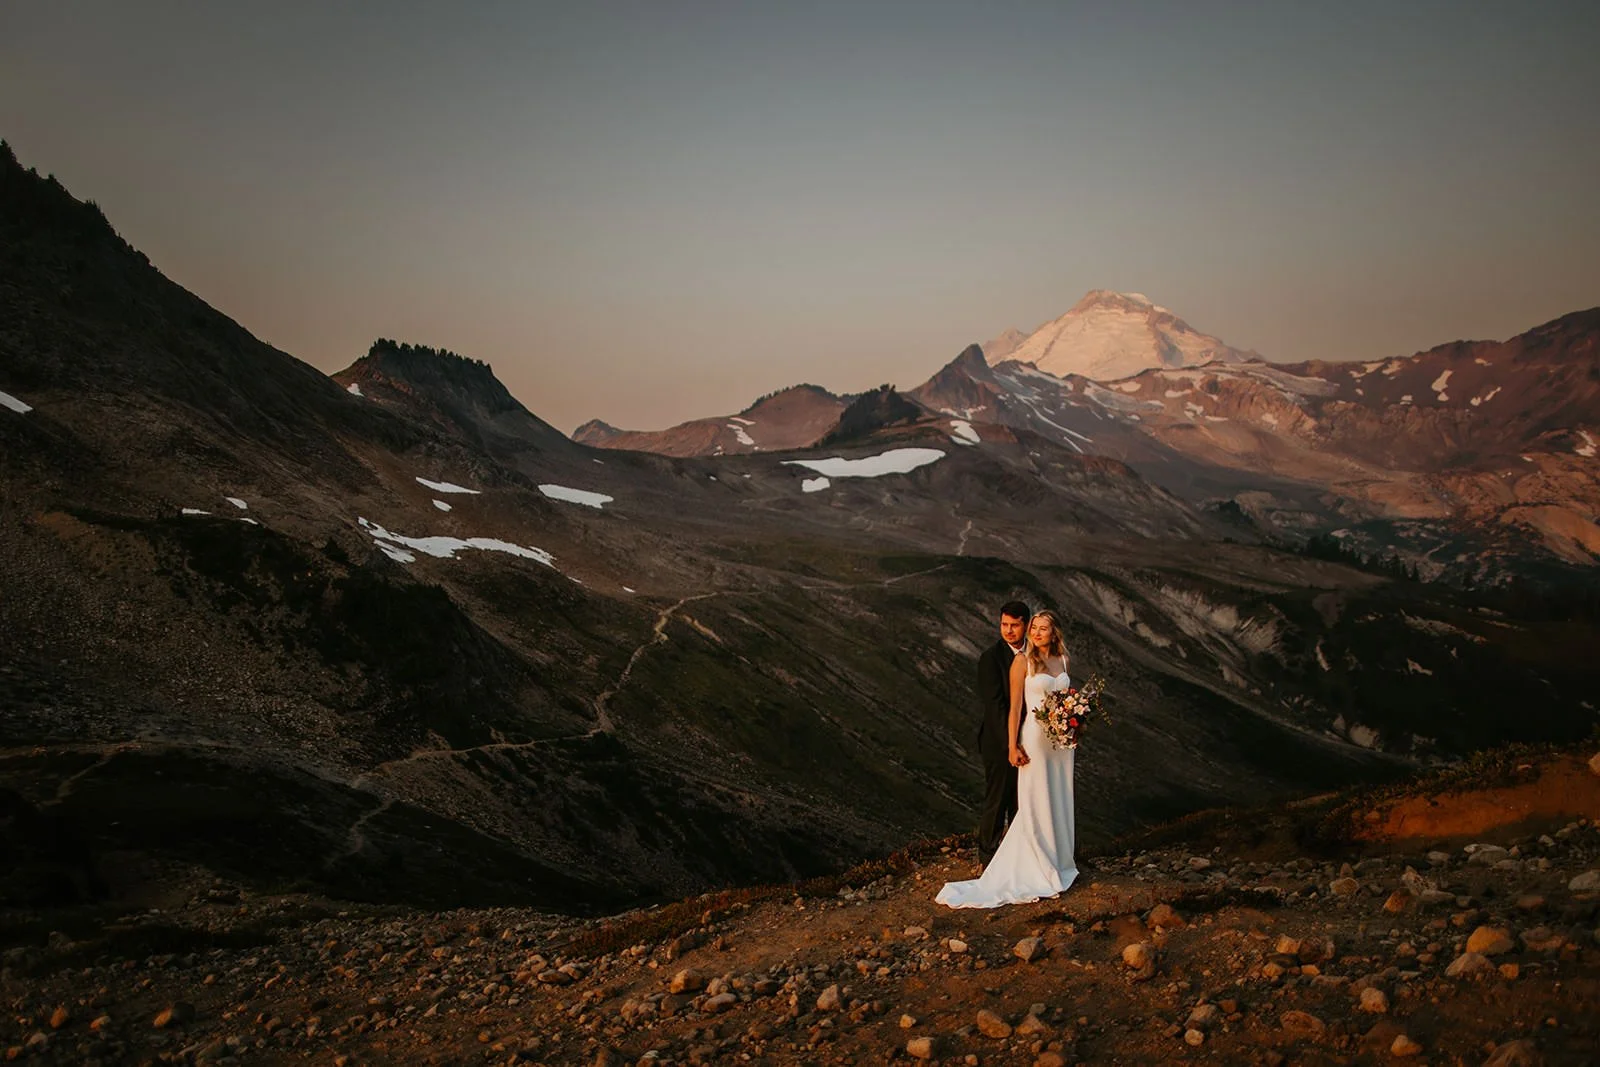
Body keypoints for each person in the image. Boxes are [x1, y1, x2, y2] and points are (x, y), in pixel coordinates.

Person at [937, 610, 1078, 908]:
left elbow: (1065, 701)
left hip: (1060, 744)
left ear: (1054, 633)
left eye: (1043, 629)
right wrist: (1012, 746)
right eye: (1035, 628)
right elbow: (1014, 709)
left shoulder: (1064, 660)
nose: (1037, 633)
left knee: (1058, 796)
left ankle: (1058, 856)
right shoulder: (1021, 661)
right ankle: (1031, 860)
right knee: (1033, 799)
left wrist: (1074, 723)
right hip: (1034, 741)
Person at [973, 601, 1029, 869]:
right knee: (997, 799)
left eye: (1014, 625)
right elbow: (995, 706)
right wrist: (1011, 744)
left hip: (1031, 742)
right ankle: (988, 858)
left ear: (1026, 625)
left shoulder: (1036, 653)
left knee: (1023, 799)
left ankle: (1018, 855)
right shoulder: (991, 658)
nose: (1008, 630)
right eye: (1004, 625)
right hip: (999, 743)